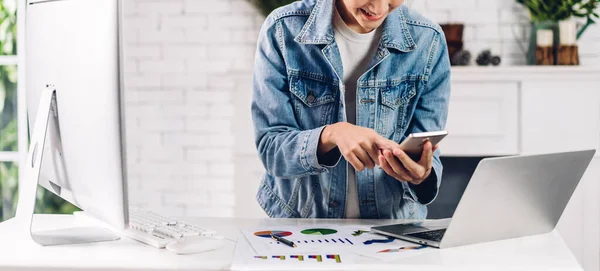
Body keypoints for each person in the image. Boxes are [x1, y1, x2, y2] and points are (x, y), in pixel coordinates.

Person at [251, 0, 450, 219]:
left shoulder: (429, 40)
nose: (380, 8)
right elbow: (271, 150)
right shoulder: (282, 29)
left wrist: (422, 177)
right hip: (302, 225)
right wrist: (331, 135)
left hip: (393, 229)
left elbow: (427, 150)